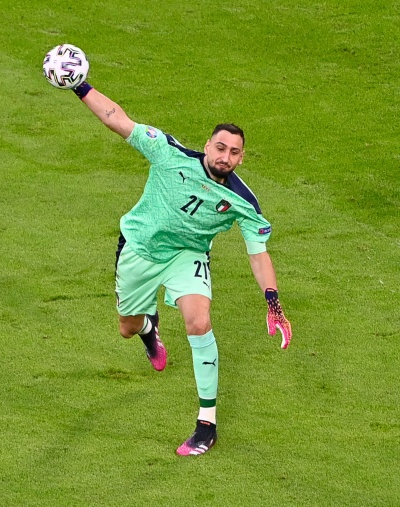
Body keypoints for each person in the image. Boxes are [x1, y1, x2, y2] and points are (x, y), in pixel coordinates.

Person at [67, 78, 292, 456]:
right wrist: (80, 86)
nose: (225, 157)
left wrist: (273, 302)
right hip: (139, 249)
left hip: (187, 256)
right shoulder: (168, 153)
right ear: (207, 145)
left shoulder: (242, 202)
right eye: (220, 147)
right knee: (127, 327)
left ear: (241, 158)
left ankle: (207, 424)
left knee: (199, 323)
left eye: (234, 152)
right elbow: (116, 119)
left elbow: (258, 254)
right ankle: (148, 329)